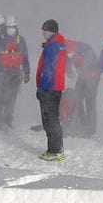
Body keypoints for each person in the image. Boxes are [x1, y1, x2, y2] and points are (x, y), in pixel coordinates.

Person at [0, 15, 30, 130]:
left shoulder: (20, 40)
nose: (10, 29)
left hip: (15, 73)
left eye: (12, 26)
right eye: (8, 27)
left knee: (11, 98)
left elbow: (25, 57)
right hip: (2, 73)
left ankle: (7, 120)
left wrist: (27, 72)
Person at [36, 19, 67, 161]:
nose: (44, 32)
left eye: (46, 30)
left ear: (53, 31)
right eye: (43, 30)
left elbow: (48, 69)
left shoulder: (53, 46)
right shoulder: (58, 44)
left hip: (49, 87)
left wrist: (41, 89)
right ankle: (57, 148)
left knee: (49, 119)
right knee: (53, 118)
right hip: (56, 86)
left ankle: (54, 150)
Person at [65, 39, 100, 138]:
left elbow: (92, 64)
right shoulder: (68, 50)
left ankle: (91, 129)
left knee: (90, 101)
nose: (70, 55)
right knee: (76, 99)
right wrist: (69, 72)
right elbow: (67, 60)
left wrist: (80, 70)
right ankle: (83, 123)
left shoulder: (86, 49)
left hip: (93, 76)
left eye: (71, 53)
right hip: (82, 77)